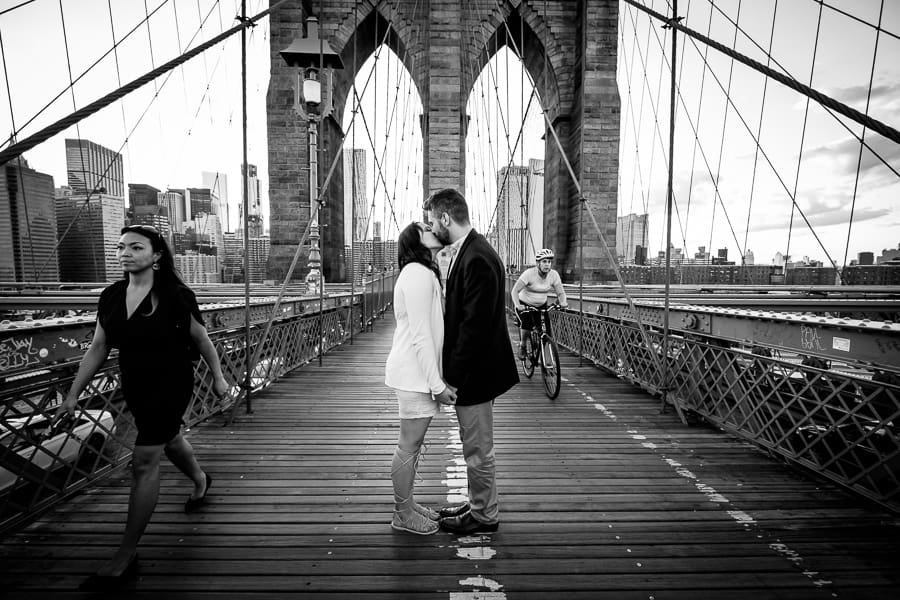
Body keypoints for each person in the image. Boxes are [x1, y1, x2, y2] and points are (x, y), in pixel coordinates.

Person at [56, 224, 228, 591]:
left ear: (157, 255)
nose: (125, 253)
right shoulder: (111, 296)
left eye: (135, 247)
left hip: (172, 382)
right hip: (135, 383)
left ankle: (125, 556)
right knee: (168, 440)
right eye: (121, 247)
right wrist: (72, 394)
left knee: (143, 459)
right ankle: (200, 479)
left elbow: (201, 338)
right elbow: (99, 347)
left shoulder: (177, 295)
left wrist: (218, 377)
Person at [424, 188, 519, 535]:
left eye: (434, 221)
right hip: (479, 372)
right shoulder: (472, 251)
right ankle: (478, 501)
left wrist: (452, 379)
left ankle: (484, 515)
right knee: (474, 447)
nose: (433, 227)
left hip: (476, 375)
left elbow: (473, 328)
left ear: (446, 218)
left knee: (478, 450)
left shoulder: (476, 257)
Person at [384, 222, 457, 535]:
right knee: (408, 447)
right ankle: (402, 514)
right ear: (417, 242)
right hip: (414, 376)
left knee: (412, 446)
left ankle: (408, 504)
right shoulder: (416, 273)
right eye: (425, 228)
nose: (433, 229)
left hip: (416, 374)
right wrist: (437, 384)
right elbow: (420, 335)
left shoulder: (422, 272)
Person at [511, 248, 569, 359]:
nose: (547, 264)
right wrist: (518, 305)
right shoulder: (529, 274)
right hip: (525, 304)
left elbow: (560, 293)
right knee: (526, 325)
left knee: (547, 331)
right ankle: (523, 346)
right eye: (544, 261)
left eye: (549, 262)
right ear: (538, 263)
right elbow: (514, 291)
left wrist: (563, 302)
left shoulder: (554, 275)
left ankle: (548, 361)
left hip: (541, 305)